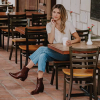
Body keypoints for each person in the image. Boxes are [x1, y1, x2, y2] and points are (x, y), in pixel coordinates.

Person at [9, 4, 81, 95]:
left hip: (65, 54)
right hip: (55, 52)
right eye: (54, 12)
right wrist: (53, 26)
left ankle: (25, 71)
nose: (55, 15)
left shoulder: (68, 24)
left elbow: (78, 39)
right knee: (42, 55)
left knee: (42, 48)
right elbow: (50, 41)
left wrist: (71, 42)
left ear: (62, 14)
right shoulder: (49, 25)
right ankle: (39, 85)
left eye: (58, 13)